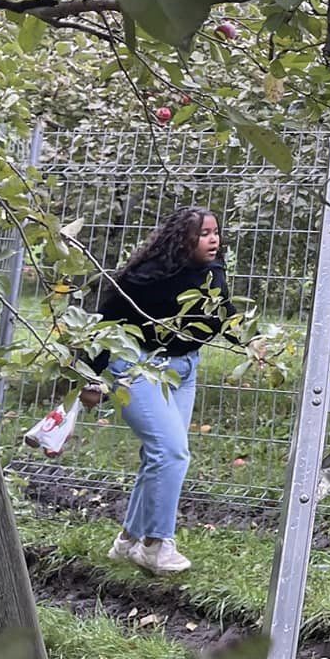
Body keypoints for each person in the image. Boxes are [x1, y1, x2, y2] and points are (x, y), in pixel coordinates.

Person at [85, 206, 231, 576]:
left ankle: (127, 541)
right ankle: (156, 544)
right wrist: (91, 377)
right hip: (137, 367)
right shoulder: (145, 277)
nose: (213, 240)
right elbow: (105, 323)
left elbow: (221, 319)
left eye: (215, 232)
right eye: (203, 234)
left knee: (161, 457)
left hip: (184, 370)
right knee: (172, 452)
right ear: (181, 239)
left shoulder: (212, 273)